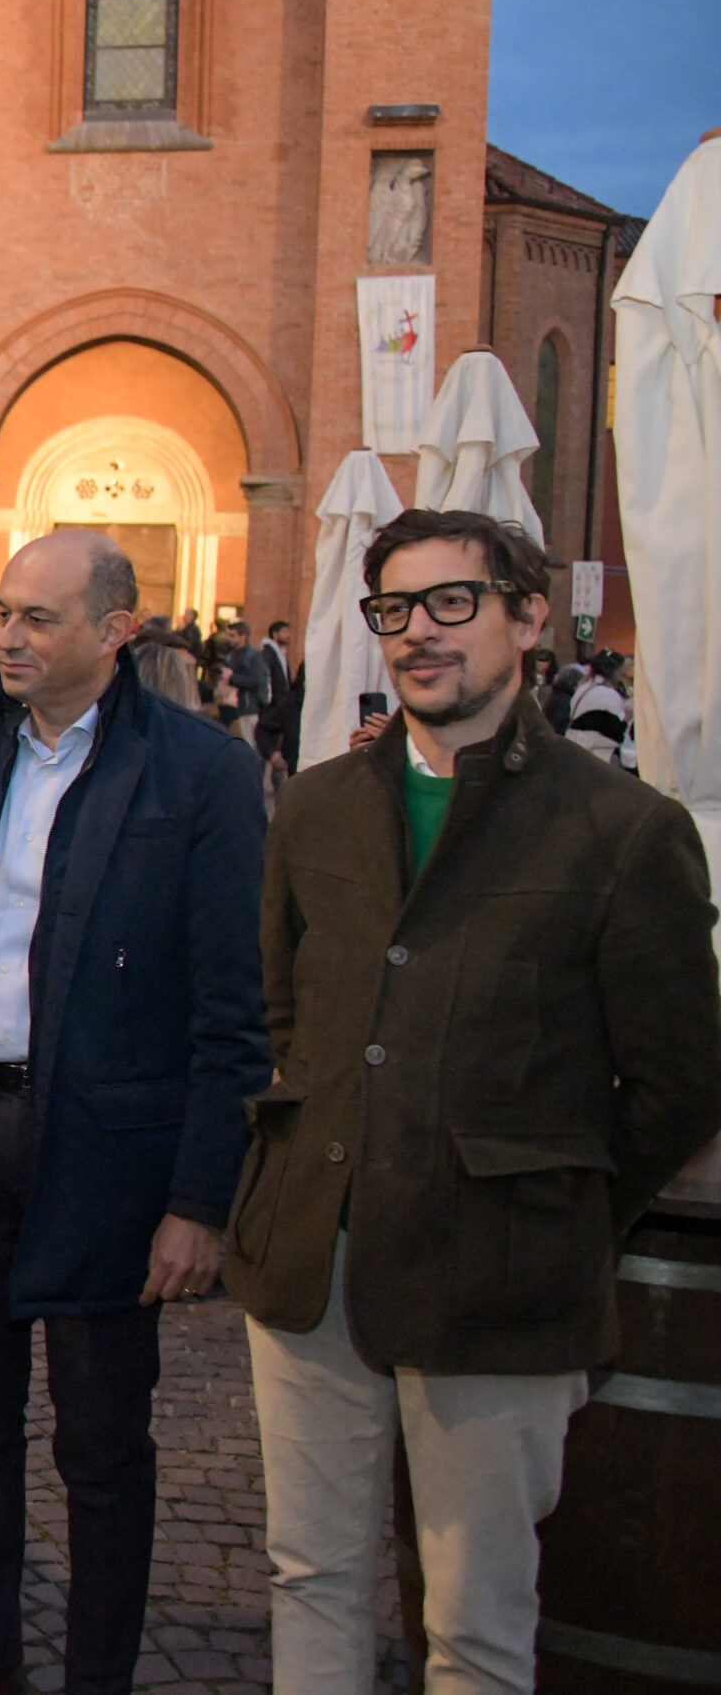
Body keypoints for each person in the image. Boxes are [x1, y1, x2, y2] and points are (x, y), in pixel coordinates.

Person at [228, 507, 721, 1695]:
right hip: (312, 1262)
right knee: (310, 1578)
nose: (418, 633)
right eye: (394, 608)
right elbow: (288, 1013)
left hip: (500, 1278)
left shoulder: (620, 830)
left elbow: (678, 1080)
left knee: (476, 1623)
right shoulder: (317, 806)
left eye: (453, 602)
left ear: (529, 617)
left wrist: (549, 1198)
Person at [0, 529, 271, 1695]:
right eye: (2, 612)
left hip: (107, 1159)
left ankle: (97, 1679)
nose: (8, 636)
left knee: (102, 1447)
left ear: (114, 631)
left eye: (37, 617)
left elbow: (233, 1013)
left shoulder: (197, 772)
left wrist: (198, 1200)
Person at [566, 649, 631, 767]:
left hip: (575, 747)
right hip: (598, 754)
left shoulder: (582, 688)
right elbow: (618, 727)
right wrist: (627, 719)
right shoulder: (609, 694)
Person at [253, 620, 295, 764]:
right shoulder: (268, 653)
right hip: (271, 706)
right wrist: (268, 701)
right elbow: (265, 679)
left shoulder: (280, 653)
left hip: (280, 705)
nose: (288, 635)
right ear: (275, 634)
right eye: (284, 632)